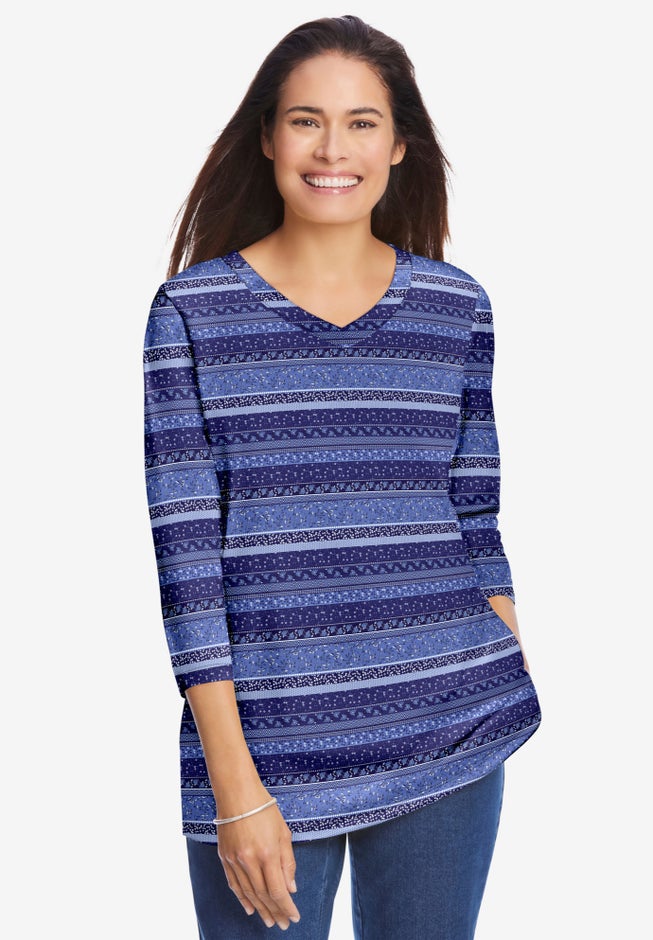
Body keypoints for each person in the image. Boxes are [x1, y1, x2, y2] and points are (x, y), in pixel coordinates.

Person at [143, 14, 541, 939]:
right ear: (268, 137)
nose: (333, 149)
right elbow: (186, 563)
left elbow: (473, 514)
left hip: (452, 720)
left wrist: (506, 654)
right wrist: (235, 786)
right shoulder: (192, 313)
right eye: (306, 120)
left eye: (362, 122)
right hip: (265, 749)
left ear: (399, 145)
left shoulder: (455, 307)